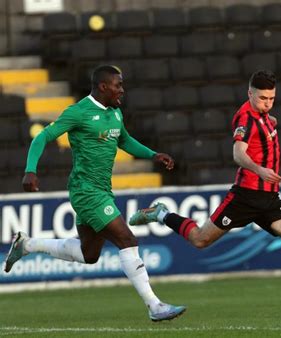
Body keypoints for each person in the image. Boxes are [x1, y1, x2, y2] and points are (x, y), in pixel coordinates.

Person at [129, 69, 281, 311]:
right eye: (263, 98)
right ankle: (161, 213)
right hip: (245, 197)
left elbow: (265, 127)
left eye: (272, 98)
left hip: (270, 199)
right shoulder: (245, 119)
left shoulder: (264, 116)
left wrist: (270, 121)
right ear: (249, 93)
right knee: (200, 239)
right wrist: (260, 170)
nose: (268, 103)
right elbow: (238, 154)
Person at [3, 65, 186, 322]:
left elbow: (124, 140)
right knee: (127, 240)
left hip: (102, 190)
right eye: (117, 85)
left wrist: (152, 154)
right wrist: (30, 170)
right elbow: (42, 137)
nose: (121, 90)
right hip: (85, 191)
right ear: (103, 87)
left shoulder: (115, 113)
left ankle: (28, 244)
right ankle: (155, 306)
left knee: (89, 255)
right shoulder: (79, 112)